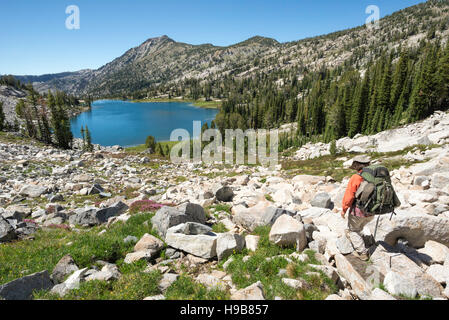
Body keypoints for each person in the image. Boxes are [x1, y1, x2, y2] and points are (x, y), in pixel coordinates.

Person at [341, 155, 374, 260]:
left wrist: (344, 209)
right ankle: (365, 240)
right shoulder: (374, 176)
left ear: (356, 166)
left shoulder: (356, 177)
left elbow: (349, 196)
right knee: (360, 226)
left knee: (353, 230)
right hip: (372, 211)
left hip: (359, 211)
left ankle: (362, 253)